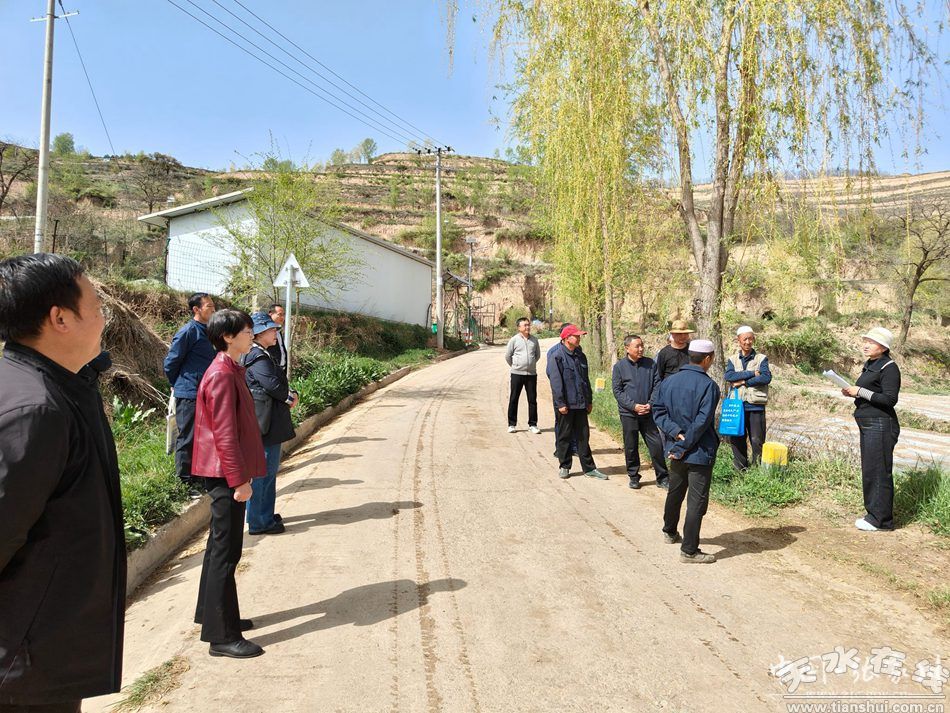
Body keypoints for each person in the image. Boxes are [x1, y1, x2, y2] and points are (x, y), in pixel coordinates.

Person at [0, 254, 125, 711]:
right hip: (24, 667)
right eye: (97, 306)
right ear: (60, 318)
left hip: (38, 654)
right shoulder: (35, 409)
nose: (103, 317)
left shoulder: (52, 385)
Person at [191, 309, 267, 658]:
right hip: (225, 474)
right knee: (226, 551)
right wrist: (239, 481)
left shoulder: (230, 368)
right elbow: (224, 434)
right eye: (247, 331)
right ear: (227, 337)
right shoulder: (222, 374)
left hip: (224, 471)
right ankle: (221, 636)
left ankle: (212, 615)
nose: (252, 335)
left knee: (219, 547)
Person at [652, 339, 721, 564]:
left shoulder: (669, 381)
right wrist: (684, 445)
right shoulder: (709, 386)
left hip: (676, 449)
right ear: (708, 359)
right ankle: (689, 551)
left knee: (675, 491)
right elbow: (702, 422)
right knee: (696, 502)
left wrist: (675, 434)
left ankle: (669, 531)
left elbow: (658, 411)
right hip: (698, 451)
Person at [242, 312, 299, 536]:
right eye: (271, 330)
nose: (276, 333)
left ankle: (264, 515)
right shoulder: (258, 357)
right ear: (258, 334)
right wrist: (290, 397)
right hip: (264, 424)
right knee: (263, 474)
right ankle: (259, 521)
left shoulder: (261, 354)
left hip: (266, 422)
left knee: (267, 472)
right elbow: (273, 385)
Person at [840, 327, 901, 532]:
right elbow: (870, 393)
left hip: (880, 424)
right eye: (865, 341)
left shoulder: (889, 368)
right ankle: (873, 515)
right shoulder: (871, 365)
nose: (866, 345)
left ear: (883, 347)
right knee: (870, 470)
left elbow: (889, 399)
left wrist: (860, 391)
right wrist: (853, 393)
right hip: (869, 422)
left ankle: (881, 521)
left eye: (871, 342)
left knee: (878, 471)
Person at [164, 292, 216, 492]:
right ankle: (185, 480)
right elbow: (171, 362)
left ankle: (199, 476)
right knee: (188, 437)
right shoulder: (188, 332)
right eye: (209, 306)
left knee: (203, 436)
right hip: (189, 393)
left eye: (213, 306)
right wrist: (177, 384)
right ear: (196, 309)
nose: (213, 309)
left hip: (206, 392)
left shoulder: (210, 331)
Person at [546, 324, 608, 481]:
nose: (579, 338)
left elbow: (585, 380)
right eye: (576, 336)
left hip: (580, 403)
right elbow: (556, 383)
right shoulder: (557, 356)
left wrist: (589, 400)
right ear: (567, 338)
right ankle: (564, 466)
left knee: (583, 436)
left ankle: (589, 468)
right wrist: (561, 403)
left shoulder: (581, 356)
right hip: (566, 405)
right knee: (564, 436)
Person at [611, 335, 670, 490]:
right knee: (631, 446)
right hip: (629, 414)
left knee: (656, 444)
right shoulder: (619, 367)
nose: (641, 349)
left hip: (648, 413)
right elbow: (617, 391)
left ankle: (662, 477)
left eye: (642, 345)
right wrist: (633, 406)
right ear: (627, 348)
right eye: (637, 346)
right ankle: (633, 476)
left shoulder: (650, 364)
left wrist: (650, 404)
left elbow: (657, 385)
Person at [723, 325, 772, 470]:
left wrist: (743, 381)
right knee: (737, 439)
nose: (748, 342)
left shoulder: (761, 359)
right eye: (745, 339)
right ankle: (740, 469)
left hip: (755, 405)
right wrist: (751, 373)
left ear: (754, 339)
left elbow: (766, 378)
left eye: (750, 339)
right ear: (738, 340)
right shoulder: (732, 359)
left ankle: (757, 469)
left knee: (757, 440)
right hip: (737, 406)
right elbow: (729, 376)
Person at [505, 316, 541, 434]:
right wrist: (516, 365)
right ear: (519, 327)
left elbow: (537, 355)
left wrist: (530, 365)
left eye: (528, 325)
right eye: (525, 325)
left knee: (532, 400)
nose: (527, 327)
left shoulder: (534, 340)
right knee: (514, 399)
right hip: (517, 374)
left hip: (531, 375)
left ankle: (533, 424)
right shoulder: (514, 340)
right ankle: (511, 424)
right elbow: (508, 356)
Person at [266, 303, 288, 374]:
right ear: (270, 314)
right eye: (280, 314)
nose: (282, 317)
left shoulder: (278, 331)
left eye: (283, 314)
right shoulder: (265, 332)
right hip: (271, 371)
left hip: (281, 371)